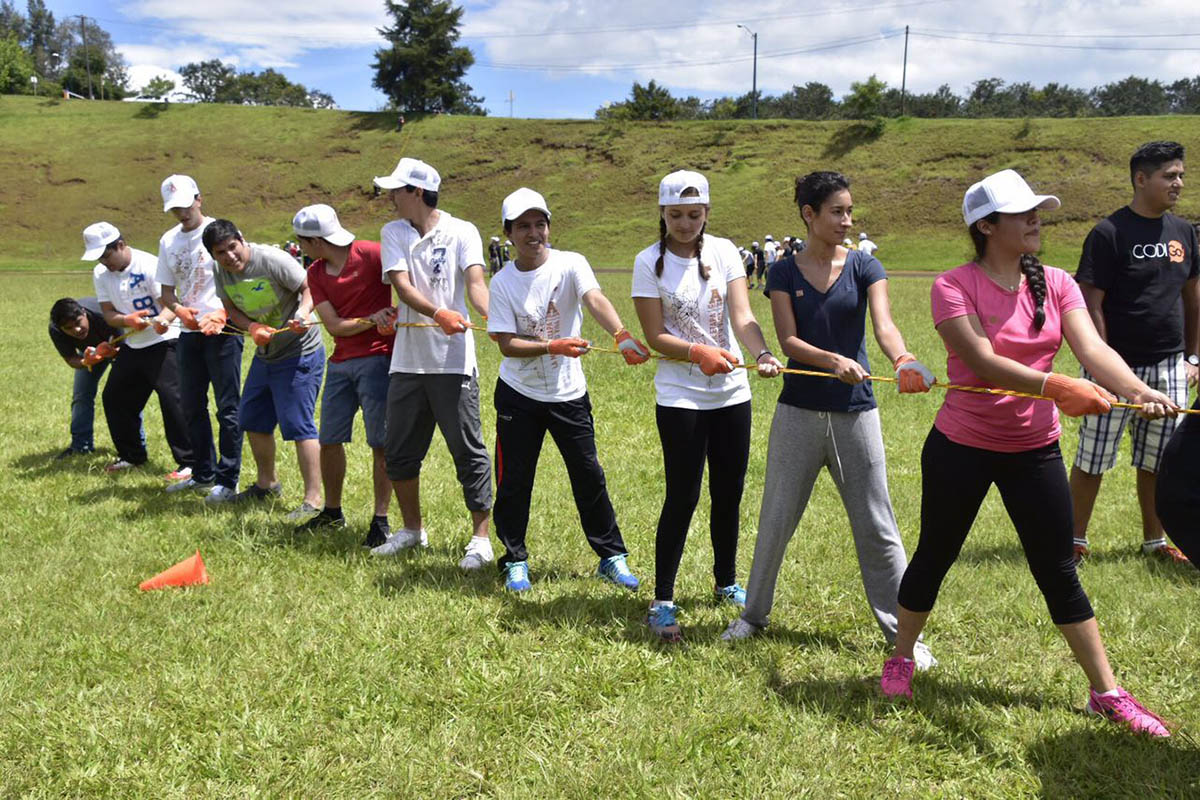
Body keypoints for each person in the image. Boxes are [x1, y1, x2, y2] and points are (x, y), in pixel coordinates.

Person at [880, 168, 1178, 738]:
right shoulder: (953, 285)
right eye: (1023, 212)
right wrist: (1056, 387)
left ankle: (1106, 693)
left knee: (1059, 570)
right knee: (935, 555)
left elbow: (1092, 347)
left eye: (1036, 209)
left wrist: (1136, 390)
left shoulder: (1059, 283)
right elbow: (984, 361)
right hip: (961, 446)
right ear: (987, 226)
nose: (1037, 218)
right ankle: (900, 657)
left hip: (1034, 450)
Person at [719, 172, 936, 663]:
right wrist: (833, 361)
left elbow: (884, 326)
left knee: (878, 524)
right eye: (836, 211)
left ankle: (905, 636)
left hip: (856, 415)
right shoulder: (784, 273)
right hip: (797, 412)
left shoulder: (865, 265)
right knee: (775, 518)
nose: (847, 220)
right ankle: (752, 615)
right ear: (808, 215)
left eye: (850, 211)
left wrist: (903, 360)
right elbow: (790, 341)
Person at [632, 170, 781, 641]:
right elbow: (656, 335)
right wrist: (698, 353)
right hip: (681, 395)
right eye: (675, 215)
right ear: (662, 213)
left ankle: (726, 581)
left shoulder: (724, 251)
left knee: (729, 491)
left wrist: (761, 353)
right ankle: (663, 601)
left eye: (694, 215)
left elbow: (742, 315)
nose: (685, 223)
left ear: (707, 213)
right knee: (683, 495)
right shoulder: (647, 261)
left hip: (732, 392)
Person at [487, 187, 650, 591]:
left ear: (549, 227)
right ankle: (514, 559)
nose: (532, 233)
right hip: (519, 396)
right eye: (522, 226)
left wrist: (621, 333)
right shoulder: (503, 283)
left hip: (568, 394)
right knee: (514, 481)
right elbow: (507, 343)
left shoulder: (571, 263)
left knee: (588, 474)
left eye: (539, 224)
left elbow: (593, 298)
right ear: (508, 233)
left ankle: (611, 557)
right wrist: (550, 346)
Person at [1070, 141, 1199, 565]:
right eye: (1169, 175)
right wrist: (1105, 365)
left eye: (1181, 174)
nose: (1178, 183)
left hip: (1170, 364)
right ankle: (1074, 541)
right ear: (1141, 179)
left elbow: (1193, 300)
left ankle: (1156, 542)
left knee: (1160, 460)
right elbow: (1090, 303)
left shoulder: (1184, 233)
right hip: (1114, 367)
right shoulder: (1109, 233)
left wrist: (1193, 358)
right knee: (1093, 457)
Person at [369, 157, 495, 571]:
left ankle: (480, 539)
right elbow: (402, 287)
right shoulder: (394, 231)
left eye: (396, 191)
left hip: (453, 363)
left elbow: (476, 283)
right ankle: (411, 530)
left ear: (417, 193)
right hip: (407, 363)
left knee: (467, 450)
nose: (390, 198)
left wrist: (496, 317)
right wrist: (439, 313)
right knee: (401, 451)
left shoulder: (463, 231)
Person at [204, 219, 325, 518]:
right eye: (221, 252)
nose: (230, 256)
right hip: (266, 353)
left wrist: (303, 311)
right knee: (253, 418)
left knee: (298, 425)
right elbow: (230, 307)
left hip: (300, 350)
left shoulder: (272, 259)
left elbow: (311, 286)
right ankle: (267, 484)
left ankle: (314, 501)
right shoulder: (220, 271)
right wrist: (253, 326)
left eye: (232, 247)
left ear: (242, 239)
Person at [293, 203, 395, 547]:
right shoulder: (316, 274)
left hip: (378, 361)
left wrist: (393, 313)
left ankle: (381, 521)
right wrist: (372, 317)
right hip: (340, 362)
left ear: (315, 241)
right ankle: (332, 512)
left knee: (380, 443)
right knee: (330, 439)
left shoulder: (371, 254)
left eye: (302, 242)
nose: (302, 248)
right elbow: (334, 325)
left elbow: (404, 279)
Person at [156, 174, 244, 504]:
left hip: (224, 331)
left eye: (185, 205)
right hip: (189, 334)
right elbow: (167, 292)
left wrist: (221, 314)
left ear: (199, 198)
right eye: (174, 209)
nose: (182, 213)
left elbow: (240, 276)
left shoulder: (222, 234)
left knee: (228, 408)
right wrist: (181, 313)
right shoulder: (168, 242)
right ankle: (202, 473)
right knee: (191, 405)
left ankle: (228, 478)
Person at [84, 222, 193, 477]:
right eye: (99, 257)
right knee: (115, 397)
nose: (103, 262)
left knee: (173, 401)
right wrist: (127, 321)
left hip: (166, 342)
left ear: (120, 245)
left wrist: (164, 320)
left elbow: (170, 303)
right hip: (134, 344)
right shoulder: (101, 273)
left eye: (106, 255)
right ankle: (132, 456)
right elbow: (109, 314)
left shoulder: (148, 265)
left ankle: (190, 463)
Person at [48, 296, 123, 459]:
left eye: (78, 323)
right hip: (89, 353)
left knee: (123, 397)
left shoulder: (104, 315)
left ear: (83, 313)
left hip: (117, 348)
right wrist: (85, 361)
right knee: (81, 396)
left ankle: (129, 450)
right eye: (69, 328)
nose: (76, 330)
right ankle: (81, 446)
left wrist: (113, 352)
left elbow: (129, 347)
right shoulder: (56, 329)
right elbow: (70, 359)